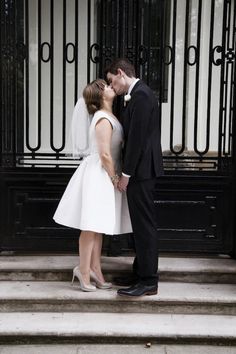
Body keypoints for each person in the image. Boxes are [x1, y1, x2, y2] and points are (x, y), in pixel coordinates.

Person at [53, 79, 132, 292]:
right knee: (90, 228)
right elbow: (105, 154)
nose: (110, 87)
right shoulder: (102, 119)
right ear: (100, 96)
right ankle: (83, 271)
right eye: (105, 86)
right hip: (99, 175)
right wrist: (115, 178)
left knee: (98, 227)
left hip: (103, 174)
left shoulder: (110, 116)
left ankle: (96, 269)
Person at [105, 58, 164, 297]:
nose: (112, 86)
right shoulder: (136, 94)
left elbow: (137, 141)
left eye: (111, 81)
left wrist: (126, 175)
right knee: (139, 225)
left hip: (142, 171)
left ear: (120, 73)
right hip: (141, 170)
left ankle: (149, 280)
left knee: (144, 225)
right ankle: (140, 272)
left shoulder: (141, 95)